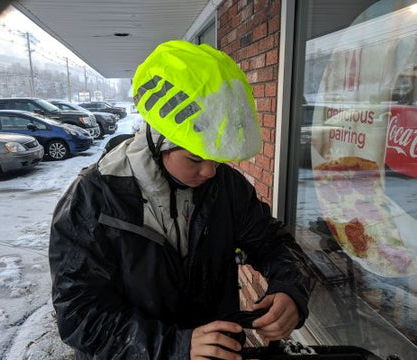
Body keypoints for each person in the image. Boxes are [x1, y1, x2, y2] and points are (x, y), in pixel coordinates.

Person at [49, 40, 311, 360]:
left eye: (217, 159)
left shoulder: (226, 187)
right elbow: (78, 314)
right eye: (195, 159)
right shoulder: (93, 199)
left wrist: (290, 289)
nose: (211, 171)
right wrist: (177, 347)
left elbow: (272, 241)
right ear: (158, 141)